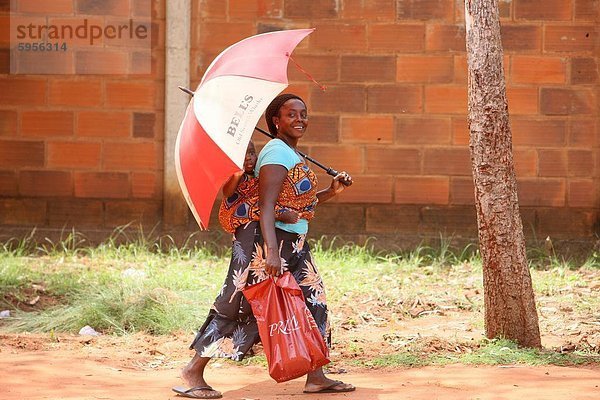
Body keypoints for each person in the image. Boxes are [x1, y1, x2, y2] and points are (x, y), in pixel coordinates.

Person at [172, 94, 354, 399]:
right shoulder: (275, 154)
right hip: (269, 246)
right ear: (275, 122)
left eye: (303, 114)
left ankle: (317, 376)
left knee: (313, 302)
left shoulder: (289, 153)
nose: (299, 120)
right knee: (241, 305)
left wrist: (331, 192)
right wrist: (271, 252)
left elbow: (294, 203)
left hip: (294, 244)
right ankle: (193, 371)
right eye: (290, 115)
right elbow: (267, 207)